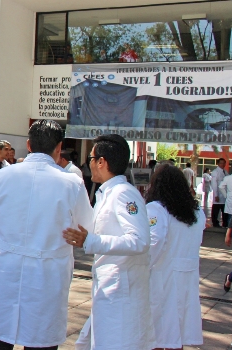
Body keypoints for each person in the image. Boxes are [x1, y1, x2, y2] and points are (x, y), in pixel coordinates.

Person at [0, 121, 93, 349]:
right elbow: (86, 225)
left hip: (7, 269)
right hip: (47, 274)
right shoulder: (71, 182)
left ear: (29, 145)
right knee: (41, 336)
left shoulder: (2, 177)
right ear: (59, 147)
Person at [64, 134, 153, 350]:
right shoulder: (108, 193)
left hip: (121, 290)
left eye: (91, 158)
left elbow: (140, 240)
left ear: (102, 162)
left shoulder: (123, 194)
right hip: (108, 286)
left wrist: (93, 241)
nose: (89, 164)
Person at [143, 164, 205, 349]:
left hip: (162, 277)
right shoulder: (197, 212)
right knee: (177, 331)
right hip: (188, 278)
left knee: (155, 331)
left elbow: (154, 242)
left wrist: (142, 267)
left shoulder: (156, 209)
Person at [212, 158, 228, 227]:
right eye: (221, 163)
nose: (223, 164)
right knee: (216, 209)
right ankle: (215, 223)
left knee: (224, 209)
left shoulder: (225, 171)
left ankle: (225, 223)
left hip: (224, 194)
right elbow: (214, 184)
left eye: (224, 163)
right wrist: (216, 195)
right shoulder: (215, 172)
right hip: (218, 193)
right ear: (218, 163)